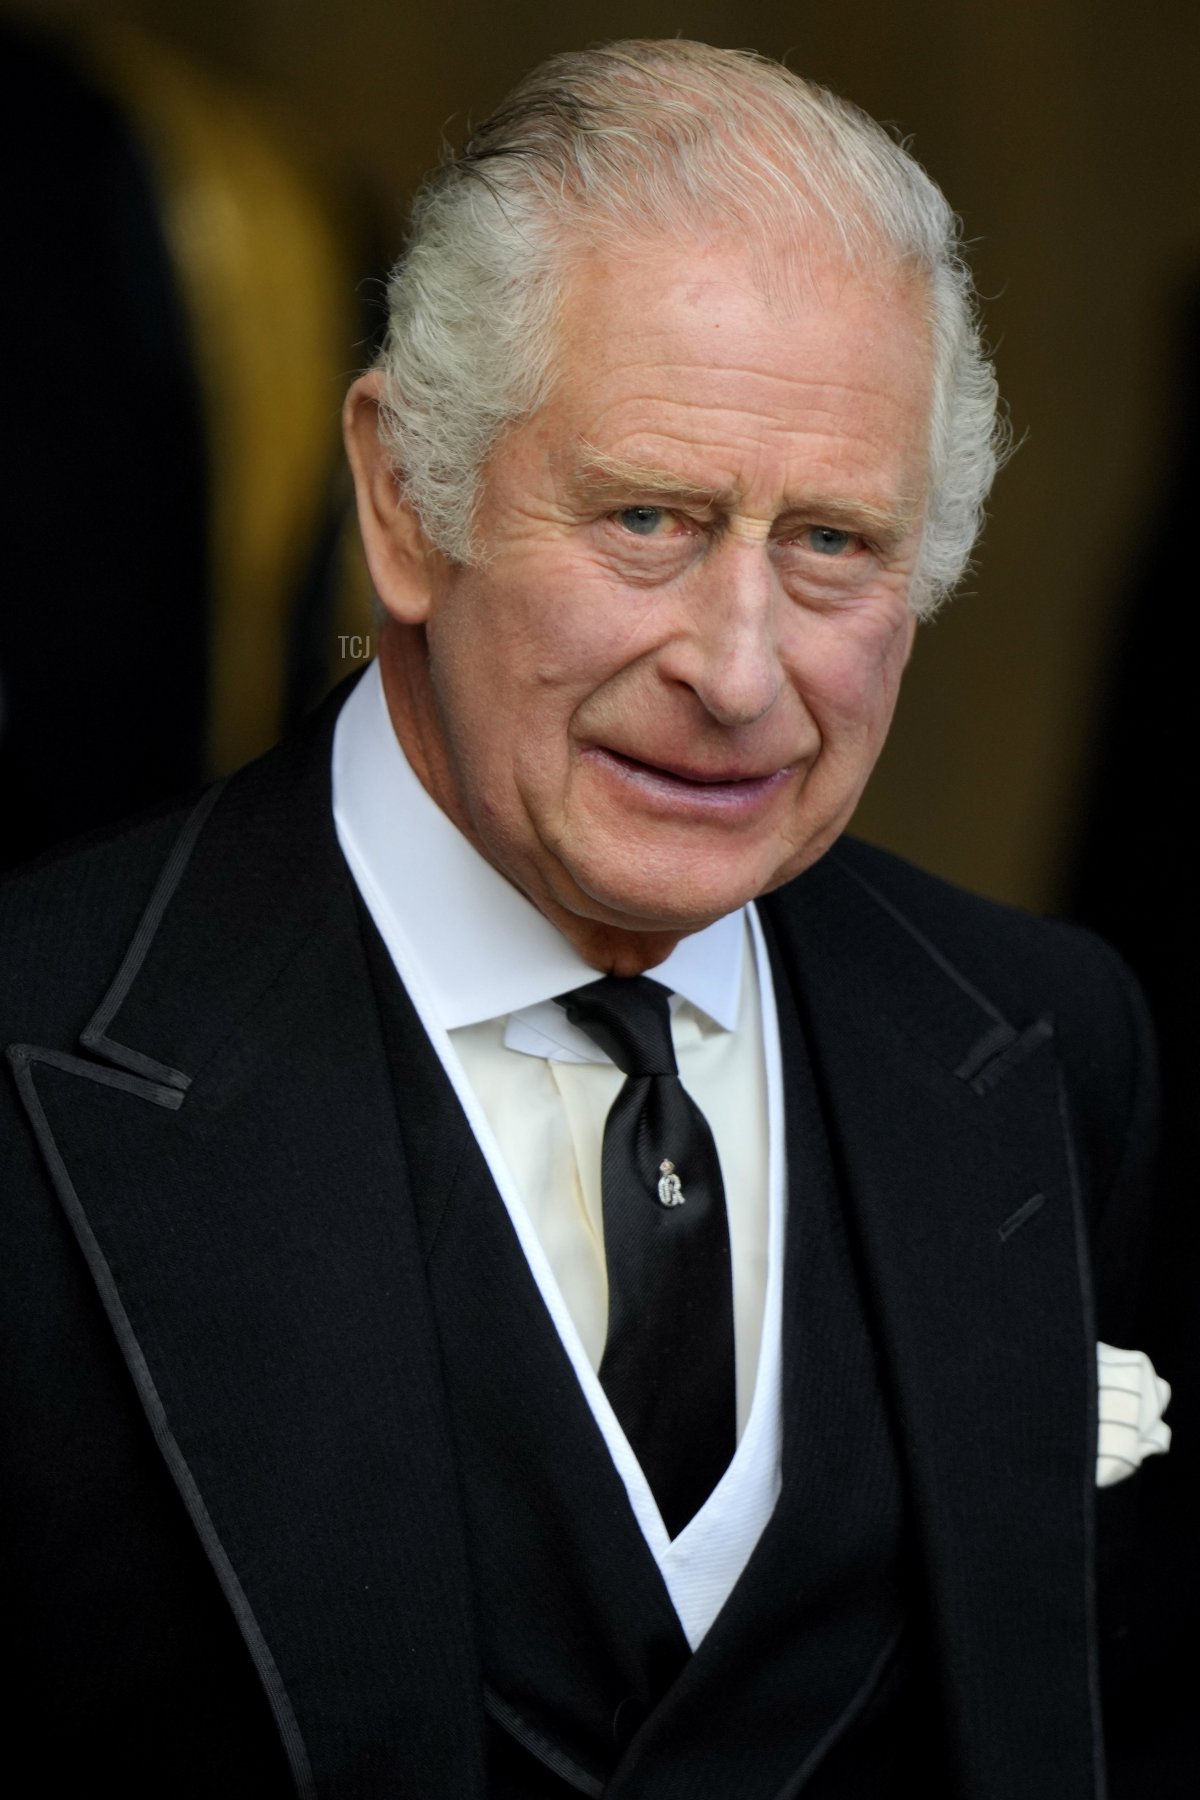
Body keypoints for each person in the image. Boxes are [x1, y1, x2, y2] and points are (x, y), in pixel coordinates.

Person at [0, 39, 1174, 1800]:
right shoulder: (29, 1051)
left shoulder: (1048, 1047)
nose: (739, 667)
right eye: (648, 519)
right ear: (404, 499)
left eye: (835, 544)